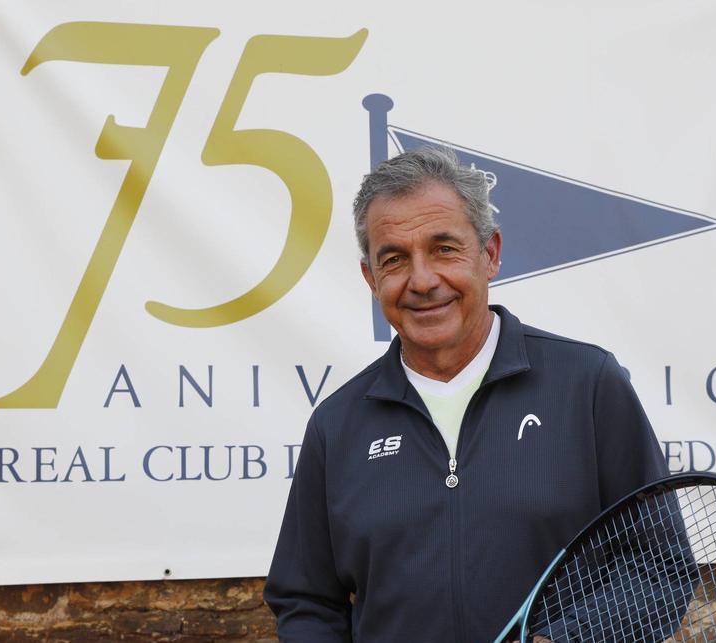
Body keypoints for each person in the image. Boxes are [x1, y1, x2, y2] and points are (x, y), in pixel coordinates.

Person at [263, 146, 669, 641]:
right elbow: (306, 602)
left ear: (490, 254)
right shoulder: (336, 425)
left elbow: (658, 569)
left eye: (444, 249)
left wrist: (562, 640)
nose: (423, 280)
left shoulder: (588, 384)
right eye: (394, 260)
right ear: (371, 278)